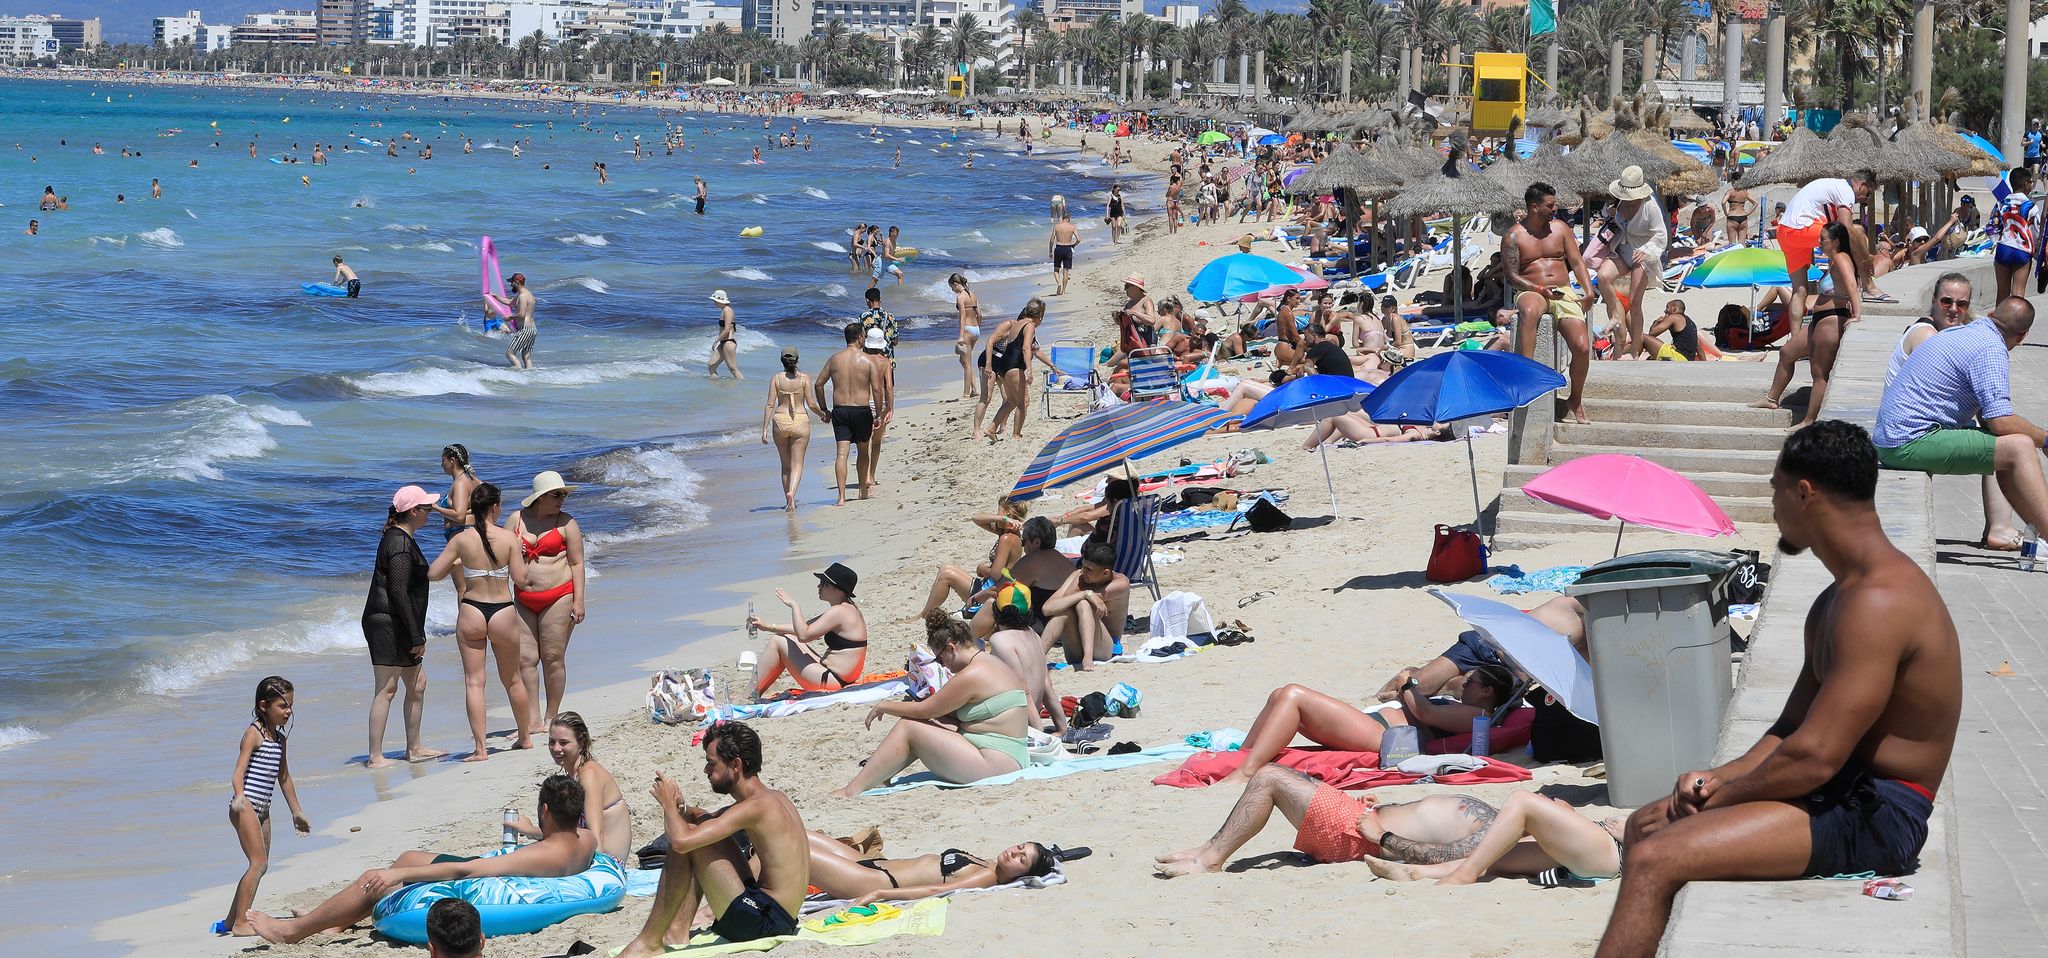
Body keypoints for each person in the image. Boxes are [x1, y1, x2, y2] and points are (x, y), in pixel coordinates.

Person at [1597, 422, 1960, 956]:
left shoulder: (1879, 603)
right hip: (1841, 791)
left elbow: (1813, 759)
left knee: (1657, 856)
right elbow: (1791, 729)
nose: (1773, 506)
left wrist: (1719, 798)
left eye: (1775, 488)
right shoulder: (1837, 599)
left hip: (1882, 814)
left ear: (1804, 493)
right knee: (1644, 825)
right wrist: (1712, 779)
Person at [247, 775, 596, 944]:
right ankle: (336, 921)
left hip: (488, 878)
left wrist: (395, 874)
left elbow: (468, 869)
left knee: (381, 877)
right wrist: (533, 830)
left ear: (546, 810)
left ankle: (292, 931)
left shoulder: (539, 855)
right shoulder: (587, 841)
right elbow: (558, 839)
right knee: (409, 856)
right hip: (524, 858)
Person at [615, 723, 807, 956]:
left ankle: (649, 941)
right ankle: (676, 930)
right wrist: (682, 807)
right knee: (702, 829)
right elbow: (710, 818)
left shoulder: (756, 806)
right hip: (777, 915)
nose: (706, 770)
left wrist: (667, 806)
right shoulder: (771, 798)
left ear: (736, 765)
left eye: (712, 763)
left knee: (690, 842)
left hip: (766, 923)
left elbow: (680, 842)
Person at [1875, 295, 2048, 534]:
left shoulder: (1961, 332)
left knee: (2011, 446)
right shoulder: (1991, 349)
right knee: (2021, 447)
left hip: (1891, 438)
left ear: (1990, 316)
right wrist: (2045, 439)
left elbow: (1990, 419)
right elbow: (2000, 422)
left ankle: (2036, 534)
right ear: (2022, 337)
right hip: (1908, 442)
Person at [1154, 766, 1506, 878]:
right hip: (1359, 817)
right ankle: (1208, 848)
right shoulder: (1494, 819)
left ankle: (1211, 860)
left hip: (1356, 834)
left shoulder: (1491, 836)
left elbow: (1437, 857)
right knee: (1286, 776)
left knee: (1269, 778)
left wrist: (1382, 836)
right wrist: (1382, 807)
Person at [832, 610, 1034, 796]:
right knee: (929, 722)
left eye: (939, 660)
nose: (942, 665)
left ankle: (851, 790)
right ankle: (881, 775)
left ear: (951, 649)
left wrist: (884, 705)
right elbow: (942, 711)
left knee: (909, 726)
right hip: (1010, 755)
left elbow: (923, 711)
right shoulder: (990, 662)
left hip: (999, 763)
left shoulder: (971, 675)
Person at [1214, 665, 1520, 787]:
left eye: (1470, 682)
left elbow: (1425, 713)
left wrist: (1407, 684)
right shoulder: (1466, 707)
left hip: (1387, 739)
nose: (1463, 685)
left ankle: (1248, 770)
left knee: (1294, 694)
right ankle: (1243, 756)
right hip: (1378, 728)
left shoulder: (1475, 714)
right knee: (1280, 694)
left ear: (1487, 692)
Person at [1883, 274, 2017, 549]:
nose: (1954, 309)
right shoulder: (1926, 334)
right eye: (1946, 301)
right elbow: (1942, 383)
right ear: (1933, 302)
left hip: (1922, 427)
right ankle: (2001, 528)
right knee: (2004, 445)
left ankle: (1999, 527)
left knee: (1996, 435)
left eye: (1962, 304)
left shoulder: (1956, 334)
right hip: (1911, 433)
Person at [426, 482, 534, 761]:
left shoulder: (461, 540)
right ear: (496, 507)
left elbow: (434, 573)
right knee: (512, 679)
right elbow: (521, 580)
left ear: (473, 507)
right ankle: (524, 738)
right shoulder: (509, 538)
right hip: (502, 611)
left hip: (472, 609)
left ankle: (481, 749)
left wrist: (458, 563)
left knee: (474, 682)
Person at [1364, 790, 1627, 886]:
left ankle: (1466, 874)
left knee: (1523, 801)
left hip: (1612, 850)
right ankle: (1415, 873)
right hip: (1601, 849)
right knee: (1495, 855)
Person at [219, 676, 310, 936]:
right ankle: (240, 924)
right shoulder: (253, 734)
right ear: (263, 706)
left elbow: (284, 778)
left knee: (260, 865)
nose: (288, 711)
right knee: (257, 864)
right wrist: (238, 796)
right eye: (283, 706)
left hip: (263, 809)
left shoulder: (280, 740)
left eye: (290, 706)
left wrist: (296, 812)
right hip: (244, 806)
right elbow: (238, 773)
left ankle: (230, 921)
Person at [364, 486, 445, 767]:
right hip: (386, 621)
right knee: (386, 688)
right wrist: (416, 636)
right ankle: (375, 756)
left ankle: (414, 748)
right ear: (413, 512)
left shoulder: (402, 538)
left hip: (395, 620)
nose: (430, 512)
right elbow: (398, 592)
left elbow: (418, 579)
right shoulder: (398, 543)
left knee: (417, 683)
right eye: (426, 508)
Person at [1754, 222, 1864, 427]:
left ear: (1836, 242)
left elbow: (1851, 285)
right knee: (1787, 352)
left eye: (1823, 239)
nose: (1819, 242)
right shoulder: (1833, 261)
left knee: (1819, 373)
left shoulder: (1841, 258)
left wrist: (1856, 314)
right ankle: (1771, 399)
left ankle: (1809, 420)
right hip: (1819, 320)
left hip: (1832, 320)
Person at [1505, 181, 1596, 423]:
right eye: (1550, 205)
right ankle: (1527, 378)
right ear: (1534, 207)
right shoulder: (1514, 236)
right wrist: (1538, 288)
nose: (1555, 209)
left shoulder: (1561, 229)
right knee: (1530, 310)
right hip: (1532, 289)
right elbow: (1512, 276)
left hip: (1563, 290)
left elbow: (1577, 262)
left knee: (1582, 346)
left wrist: (1588, 291)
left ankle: (1575, 399)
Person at [507, 471, 587, 735]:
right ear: (540, 498)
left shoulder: (567, 523)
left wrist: (579, 601)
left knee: (552, 658)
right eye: (557, 495)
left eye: (563, 494)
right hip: (523, 599)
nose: (562, 499)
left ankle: (552, 715)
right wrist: (511, 552)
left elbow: (576, 563)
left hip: (559, 595)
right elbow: (497, 557)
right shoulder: (515, 520)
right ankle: (533, 719)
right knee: (526, 660)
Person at [803, 829, 1058, 905]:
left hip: (873, 881)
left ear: (1021, 876)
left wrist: (879, 894)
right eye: (1020, 847)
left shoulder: (987, 877)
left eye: (1021, 860)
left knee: (795, 852)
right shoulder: (991, 864)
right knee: (798, 833)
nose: (1014, 852)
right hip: (870, 865)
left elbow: (934, 890)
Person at [508, 712, 633, 863]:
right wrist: (531, 831)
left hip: (607, 863)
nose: (556, 748)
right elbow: (566, 833)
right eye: (552, 742)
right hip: (590, 855)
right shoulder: (574, 775)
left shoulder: (589, 774)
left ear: (581, 742)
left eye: (564, 742)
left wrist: (531, 831)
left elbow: (595, 835)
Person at [746, 563, 869, 697]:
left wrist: (794, 605)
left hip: (831, 682)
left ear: (839, 591)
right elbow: (804, 627)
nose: (819, 586)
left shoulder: (839, 612)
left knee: (777, 641)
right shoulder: (848, 608)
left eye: (824, 583)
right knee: (786, 637)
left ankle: (749, 694)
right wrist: (768, 626)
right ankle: (754, 691)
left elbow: (804, 635)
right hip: (839, 678)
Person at [1775, 172, 1873, 332]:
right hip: (1801, 228)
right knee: (1857, 230)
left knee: (1799, 290)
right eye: (1868, 194)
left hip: (1784, 231)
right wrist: (1866, 258)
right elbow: (1847, 228)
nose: (1866, 199)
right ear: (1861, 185)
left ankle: (1795, 339)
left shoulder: (1832, 187)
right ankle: (1868, 285)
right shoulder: (1845, 190)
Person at [1595, 166, 1668, 359]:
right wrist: (1610, 213)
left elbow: (1661, 235)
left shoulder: (1650, 206)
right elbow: (1612, 220)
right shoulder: (1620, 201)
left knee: (1635, 303)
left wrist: (1646, 250)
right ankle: (1616, 317)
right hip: (1621, 249)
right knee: (1602, 277)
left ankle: (1636, 349)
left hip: (1642, 255)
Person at [918, 498, 1027, 619]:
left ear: (1007, 511)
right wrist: (1003, 518)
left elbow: (996, 574)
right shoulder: (1006, 532)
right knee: (946, 568)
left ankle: (925, 615)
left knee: (946, 574)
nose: (996, 514)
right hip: (988, 585)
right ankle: (925, 613)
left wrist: (981, 568)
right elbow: (976, 518)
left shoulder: (1007, 538)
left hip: (989, 591)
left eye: (998, 510)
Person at [1038, 540, 1131, 670]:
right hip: (1076, 649)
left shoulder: (1121, 583)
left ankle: (1088, 658)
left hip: (1107, 649)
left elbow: (1077, 601)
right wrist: (1086, 593)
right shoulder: (1078, 575)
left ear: (1105, 573)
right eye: (1083, 566)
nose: (1083, 572)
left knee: (1083, 604)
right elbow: (1047, 609)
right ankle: (1037, 658)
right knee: (1064, 613)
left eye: (1089, 569)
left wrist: (1084, 595)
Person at [816, 322, 879, 505]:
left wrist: (824, 409)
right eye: (864, 336)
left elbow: (818, 384)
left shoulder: (835, 359)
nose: (865, 339)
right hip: (861, 410)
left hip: (840, 410)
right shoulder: (868, 360)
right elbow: (876, 389)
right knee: (862, 451)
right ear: (860, 337)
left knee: (841, 454)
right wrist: (879, 413)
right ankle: (862, 491)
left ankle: (841, 497)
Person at [974, 299, 1047, 442]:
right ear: (1039, 315)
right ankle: (1015, 434)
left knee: (1011, 400)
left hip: (1003, 364)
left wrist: (1053, 366)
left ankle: (992, 428)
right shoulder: (1027, 325)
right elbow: (1026, 348)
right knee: (1021, 401)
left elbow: (1034, 350)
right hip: (1001, 363)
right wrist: (1030, 370)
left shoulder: (1018, 325)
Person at [763, 346, 821, 511]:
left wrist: (765, 429)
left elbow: (769, 404)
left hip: (780, 420)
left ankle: (790, 502)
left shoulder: (776, 378)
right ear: (797, 360)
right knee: (797, 464)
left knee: (785, 465)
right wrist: (823, 414)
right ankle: (792, 493)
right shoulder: (804, 378)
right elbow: (811, 404)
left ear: (781, 361)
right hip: (800, 421)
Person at [1991, 166, 2036, 303]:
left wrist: (1996, 241)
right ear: (2026, 184)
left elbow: (1992, 227)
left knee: (2002, 294)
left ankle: (1997, 324)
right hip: (2022, 250)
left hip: (2004, 247)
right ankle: (2016, 324)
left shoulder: (2001, 203)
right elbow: (2037, 230)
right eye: (2031, 183)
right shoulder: (2031, 206)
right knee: (2018, 295)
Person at [862, 328, 895, 488]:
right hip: (879, 404)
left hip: (862, 402)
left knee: (864, 442)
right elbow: (888, 386)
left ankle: (863, 475)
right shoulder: (885, 362)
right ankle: (871, 476)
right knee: (876, 442)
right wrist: (890, 407)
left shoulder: (861, 359)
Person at [485, 273, 538, 370]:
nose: (511, 285)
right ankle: (530, 376)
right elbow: (509, 302)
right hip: (532, 329)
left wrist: (510, 318)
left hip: (525, 329)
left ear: (517, 282)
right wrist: (495, 296)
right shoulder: (525, 294)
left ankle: (517, 373)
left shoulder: (523, 297)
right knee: (526, 356)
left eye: (512, 282)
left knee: (510, 353)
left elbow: (521, 315)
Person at [1626, 299, 1707, 361]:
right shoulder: (1690, 322)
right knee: (1650, 359)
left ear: (1674, 308)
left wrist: (1657, 321)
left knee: (1642, 337)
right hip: (1686, 359)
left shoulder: (1674, 317)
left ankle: (1635, 360)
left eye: (1667, 307)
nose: (1665, 311)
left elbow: (1652, 333)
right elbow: (1698, 349)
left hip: (1677, 357)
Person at [950, 273, 982, 400]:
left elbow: (962, 316)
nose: (952, 290)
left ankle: (966, 393)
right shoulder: (973, 295)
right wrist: (978, 326)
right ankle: (974, 389)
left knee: (967, 362)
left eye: (952, 287)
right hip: (975, 329)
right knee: (964, 360)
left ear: (956, 284)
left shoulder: (961, 297)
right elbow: (979, 313)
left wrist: (961, 335)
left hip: (967, 330)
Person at [707, 289, 742, 379]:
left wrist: (716, 341)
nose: (714, 302)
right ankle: (717, 388)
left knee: (733, 369)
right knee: (711, 366)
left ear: (720, 300)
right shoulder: (724, 310)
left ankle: (743, 388)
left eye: (715, 300)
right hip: (723, 343)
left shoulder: (728, 310)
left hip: (728, 342)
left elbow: (727, 329)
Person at [859, 285, 899, 358]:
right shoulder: (891, 317)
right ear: (880, 300)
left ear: (867, 300)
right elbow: (895, 342)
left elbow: (860, 341)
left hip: (870, 360)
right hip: (887, 359)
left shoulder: (863, 317)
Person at [1049, 209, 1078, 296]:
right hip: (1068, 248)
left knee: (1056, 269)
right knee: (1066, 271)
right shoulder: (1072, 227)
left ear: (1062, 217)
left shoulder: (1057, 226)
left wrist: (1050, 251)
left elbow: (1051, 240)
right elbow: (1079, 239)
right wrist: (1073, 245)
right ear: (1069, 218)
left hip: (1059, 248)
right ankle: (1064, 291)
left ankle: (1058, 283)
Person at [1725, 173, 1755, 245]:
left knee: (1732, 244)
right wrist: (1748, 213)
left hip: (1733, 217)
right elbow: (1755, 203)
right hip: (1743, 217)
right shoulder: (1745, 192)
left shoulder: (1730, 192)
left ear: (1732, 180)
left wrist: (1726, 213)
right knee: (1742, 243)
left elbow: (1723, 202)